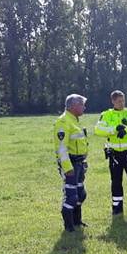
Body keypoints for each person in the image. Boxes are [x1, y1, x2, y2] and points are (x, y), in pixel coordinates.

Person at [94, 90, 127, 215]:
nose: (122, 103)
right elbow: (98, 130)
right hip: (114, 155)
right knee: (116, 181)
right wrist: (113, 130)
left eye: (123, 100)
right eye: (119, 101)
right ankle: (117, 209)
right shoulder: (106, 115)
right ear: (113, 101)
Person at [53, 94, 90, 232]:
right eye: (82, 105)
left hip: (79, 164)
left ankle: (77, 221)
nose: (84, 107)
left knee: (81, 194)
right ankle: (68, 226)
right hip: (71, 164)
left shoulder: (75, 120)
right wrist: (67, 168)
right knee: (71, 196)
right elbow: (61, 148)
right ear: (73, 106)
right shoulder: (63, 122)